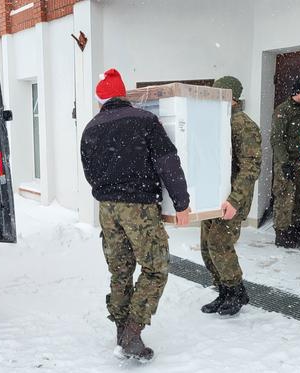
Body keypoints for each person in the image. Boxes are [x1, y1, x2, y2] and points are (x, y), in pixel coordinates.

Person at [80, 68, 190, 361]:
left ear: (101, 100)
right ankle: (132, 334)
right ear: (123, 95)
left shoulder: (91, 128)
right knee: (155, 268)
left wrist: (110, 189)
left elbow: (89, 173)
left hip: (107, 209)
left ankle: (122, 332)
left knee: (120, 270)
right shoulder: (145, 120)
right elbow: (168, 162)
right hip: (139, 207)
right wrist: (182, 203)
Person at [200, 76, 262, 316]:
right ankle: (224, 291)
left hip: (232, 199)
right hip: (212, 196)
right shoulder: (217, 121)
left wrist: (235, 200)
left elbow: (251, 167)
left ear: (231, 97)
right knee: (207, 247)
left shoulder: (243, 125)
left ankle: (235, 291)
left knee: (219, 244)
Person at [270, 77, 300, 248]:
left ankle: (292, 230)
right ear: (297, 92)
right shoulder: (283, 110)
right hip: (286, 163)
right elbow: (276, 139)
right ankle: (281, 235)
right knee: (284, 198)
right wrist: (285, 162)